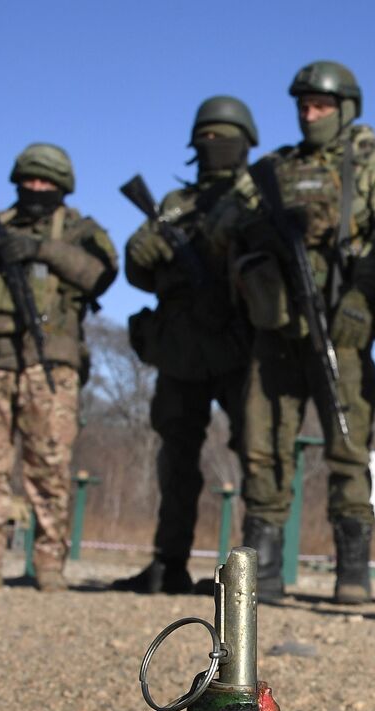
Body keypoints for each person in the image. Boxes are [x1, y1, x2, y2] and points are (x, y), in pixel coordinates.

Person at [208, 61, 375, 602]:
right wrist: (261, 237)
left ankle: (352, 573)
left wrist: (360, 296)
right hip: (274, 329)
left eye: (322, 105)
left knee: (348, 446)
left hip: (341, 329)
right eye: (303, 105)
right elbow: (220, 227)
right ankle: (262, 576)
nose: (310, 114)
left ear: (346, 108)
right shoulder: (271, 171)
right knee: (262, 448)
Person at [0, 143, 117, 591]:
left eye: (46, 182)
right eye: (29, 180)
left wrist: (41, 250)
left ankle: (49, 564)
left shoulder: (79, 230)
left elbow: (100, 274)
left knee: (49, 466)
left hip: (49, 362)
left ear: (62, 187)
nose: (36, 189)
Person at [112, 96, 259, 595]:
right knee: (175, 461)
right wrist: (147, 248)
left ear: (246, 143)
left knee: (256, 456)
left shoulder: (256, 196)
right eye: (205, 138)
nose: (213, 146)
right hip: (178, 351)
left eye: (224, 137)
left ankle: (255, 574)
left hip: (238, 348)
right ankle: (168, 561)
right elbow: (137, 269)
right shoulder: (175, 204)